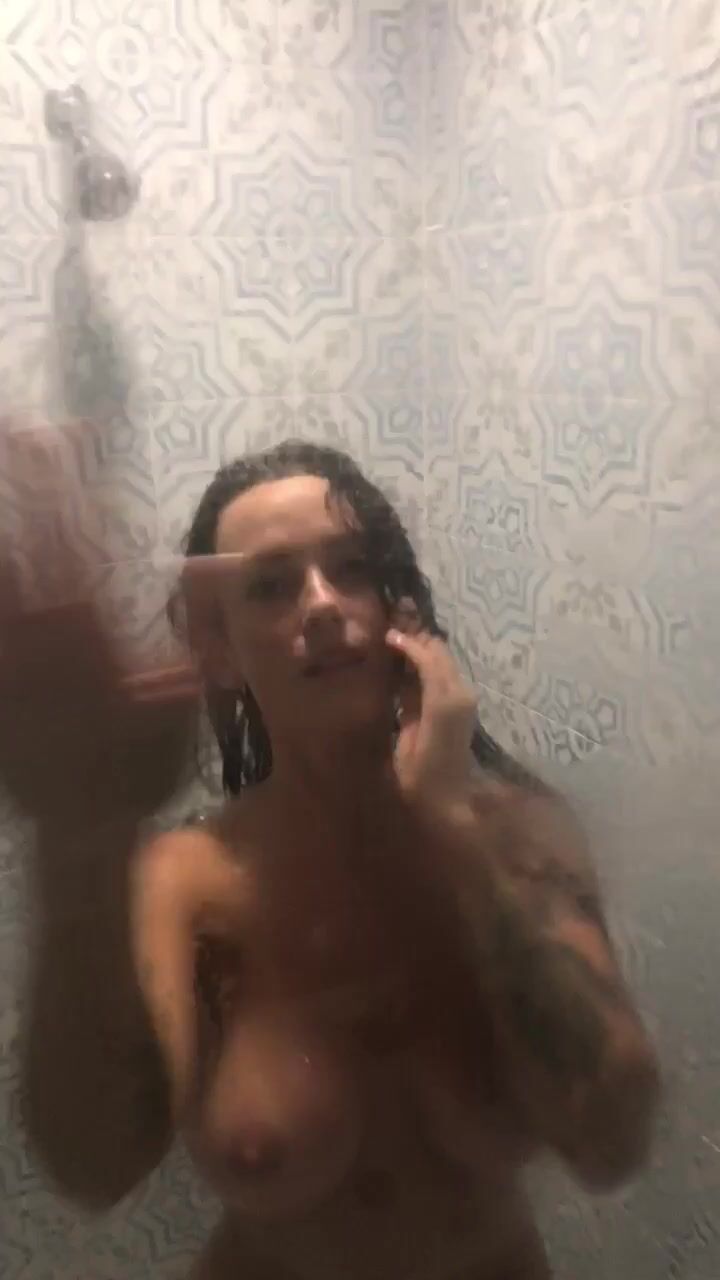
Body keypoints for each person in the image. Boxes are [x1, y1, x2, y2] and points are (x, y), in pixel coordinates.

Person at [1, 436, 660, 1279]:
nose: (320, 604)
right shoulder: (187, 881)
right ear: (219, 647)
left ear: (401, 615)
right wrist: (81, 838)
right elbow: (93, 1167)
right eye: (271, 586)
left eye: (352, 569)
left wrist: (452, 826)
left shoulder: (518, 840)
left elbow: (612, 1141)